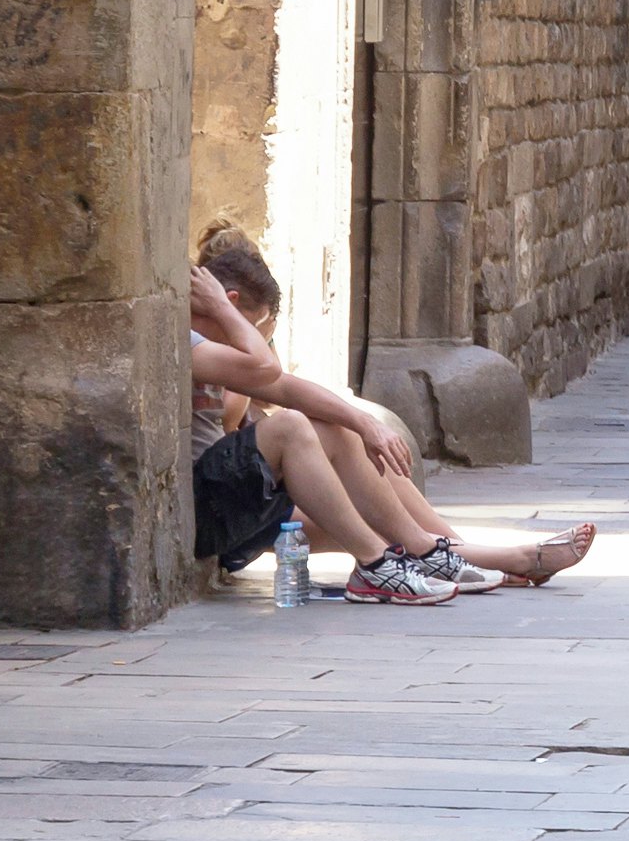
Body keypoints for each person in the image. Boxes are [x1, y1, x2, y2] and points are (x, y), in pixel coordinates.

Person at [187, 229, 594, 602]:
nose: (260, 341)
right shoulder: (187, 339)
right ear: (229, 303)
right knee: (294, 428)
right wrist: (226, 313)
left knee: (342, 430)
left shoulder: (215, 346)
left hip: (231, 500)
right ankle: (386, 562)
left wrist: (365, 424)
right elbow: (266, 371)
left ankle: (432, 551)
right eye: (259, 329)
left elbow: (287, 388)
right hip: (207, 510)